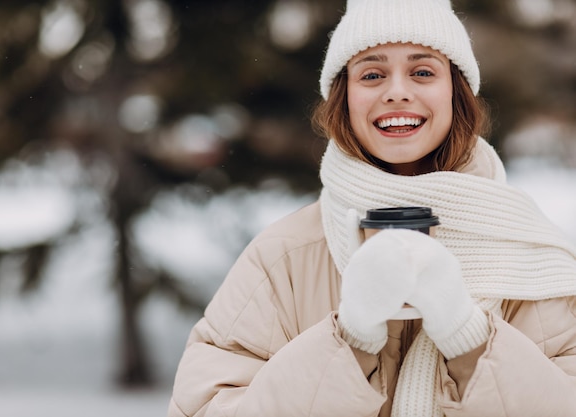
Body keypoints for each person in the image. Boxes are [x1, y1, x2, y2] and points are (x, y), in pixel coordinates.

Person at [167, 0, 576, 416]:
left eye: (422, 72)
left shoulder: (533, 257)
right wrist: (350, 340)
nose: (397, 91)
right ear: (344, 98)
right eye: (373, 74)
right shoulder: (283, 260)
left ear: (457, 92)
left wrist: (469, 338)